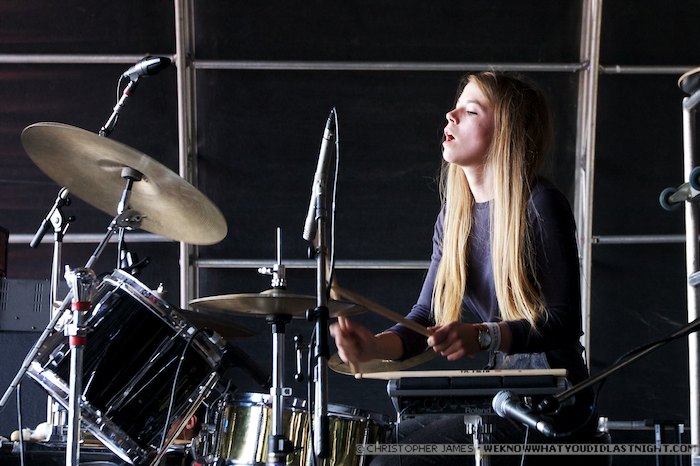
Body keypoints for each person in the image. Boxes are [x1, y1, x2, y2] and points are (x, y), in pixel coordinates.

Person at [330, 71, 603, 465]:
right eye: (456, 107)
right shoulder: (453, 218)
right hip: (504, 396)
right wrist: (375, 347)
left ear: (506, 132)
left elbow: (563, 321)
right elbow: (425, 318)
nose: (451, 115)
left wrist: (485, 336)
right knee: (381, 446)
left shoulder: (540, 204)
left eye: (471, 111)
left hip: (555, 407)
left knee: (394, 462)